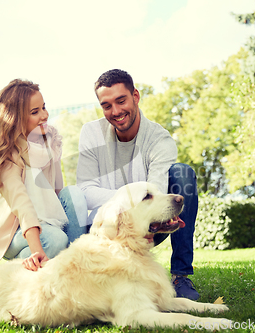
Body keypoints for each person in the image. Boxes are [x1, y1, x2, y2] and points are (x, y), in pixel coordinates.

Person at [76, 69, 200, 300]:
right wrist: (130, 199)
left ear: (136, 96)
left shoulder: (159, 140)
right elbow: (84, 191)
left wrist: (132, 202)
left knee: (183, 173)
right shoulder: (91, 133)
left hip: (146, 224)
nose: (115, 111)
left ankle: (180, 276)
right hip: (104, 227)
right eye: (106, 105)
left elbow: (155, 194)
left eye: (121, 101)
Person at [0, 79, 88, 284]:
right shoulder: (7, 157)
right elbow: (22, 206)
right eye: (34, 112)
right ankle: (26, 265)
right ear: (16, 118)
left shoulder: (49, 144)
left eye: (44, 107)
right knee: (55, 240)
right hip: (16, 230)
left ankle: (77, 272)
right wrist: (38, 250)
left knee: (74, 194)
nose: (44, 115)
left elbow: (57, 192)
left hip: (49, 221)